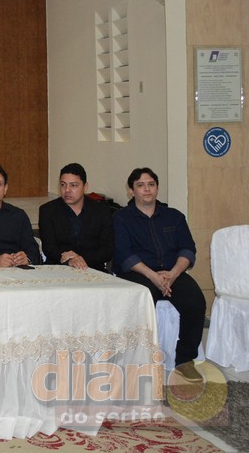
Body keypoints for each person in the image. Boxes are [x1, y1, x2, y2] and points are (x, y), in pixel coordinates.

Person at [113, 167, 205, 381]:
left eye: (151, 184)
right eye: (140, 185)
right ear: (131, 191)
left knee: (196, 303)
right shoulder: (121, 218)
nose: (147, 189)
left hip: (172, 272)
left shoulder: (174, 216)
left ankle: (184, 361)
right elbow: (124, 254)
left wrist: (173, 274)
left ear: (157, 188)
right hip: (139, 272)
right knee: (143, 305)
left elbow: (188, 249)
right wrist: (153, 276)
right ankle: (139, 362)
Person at [38, 162, 114, 271]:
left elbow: (108, 249)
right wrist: (69, 260)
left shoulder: (101, 211)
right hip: (59, 268)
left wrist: (80, 260)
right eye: (63, 184)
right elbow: (49, 248)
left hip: (92, 268)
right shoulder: (48, 210)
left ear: (85, 186)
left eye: (73, 185)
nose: (67, 190)